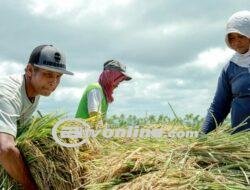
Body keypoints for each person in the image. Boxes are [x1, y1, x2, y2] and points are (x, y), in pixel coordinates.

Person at [0, 45, 73, 189]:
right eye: (48, 74)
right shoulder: (9, 94)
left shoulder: (34, 90)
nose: (54, 82)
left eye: (58, 76)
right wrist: (31, 186)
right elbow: (5, 149)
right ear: (29, 70)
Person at [202, 10, 250, 134]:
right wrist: (201, 137)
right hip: (242, 142)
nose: (236, 42)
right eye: (231, 37)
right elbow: (219, 107)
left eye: (241, 36)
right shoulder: (230, 68)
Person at [75, 60, 132, 124]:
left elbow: (101, 120)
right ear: (109, 77)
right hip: (80, 131)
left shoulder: (103, 94)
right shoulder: (95, 89)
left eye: (120, 80)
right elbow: (94, 115)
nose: (118, 84)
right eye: (118, 80)